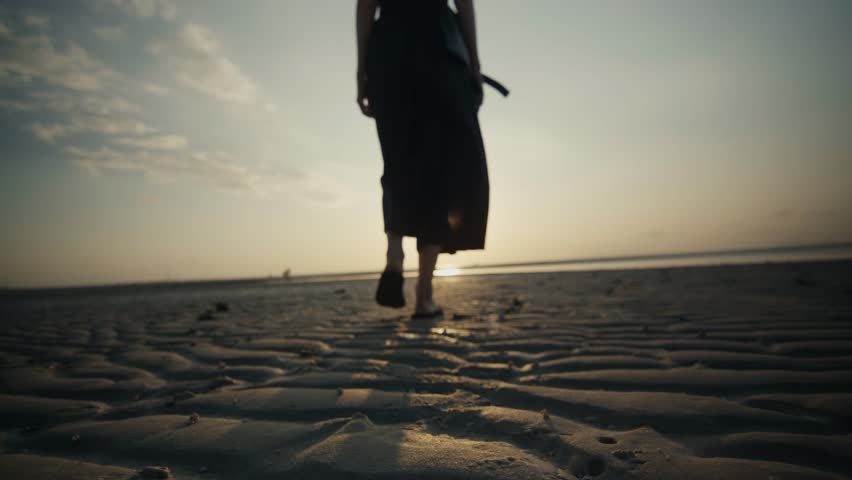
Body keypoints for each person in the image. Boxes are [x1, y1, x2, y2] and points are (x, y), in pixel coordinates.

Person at [356, 0, 490, 318]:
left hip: (388, 50)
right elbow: (465, 5)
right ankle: (424, 294)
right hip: (438, 46)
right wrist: (474, 63)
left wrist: (362, 70)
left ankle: (394, 253)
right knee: (442, 172)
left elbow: (364, 7)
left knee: (399, 163)